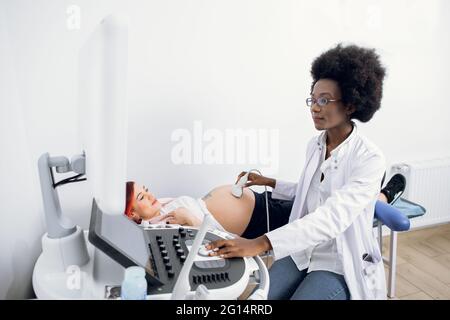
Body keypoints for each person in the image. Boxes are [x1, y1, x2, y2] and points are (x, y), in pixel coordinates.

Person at [203, 44, 394, 300]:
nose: (314, 108)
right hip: (303, 250)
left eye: (324, 100)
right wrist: (269, 182)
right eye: (312, 100)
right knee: (259, 299)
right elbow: (312, 191)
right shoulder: (315, 146)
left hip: (338, 260)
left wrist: (259, 243)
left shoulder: (369, 158)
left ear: (350, 104)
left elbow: (332, 217)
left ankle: (388, 193)